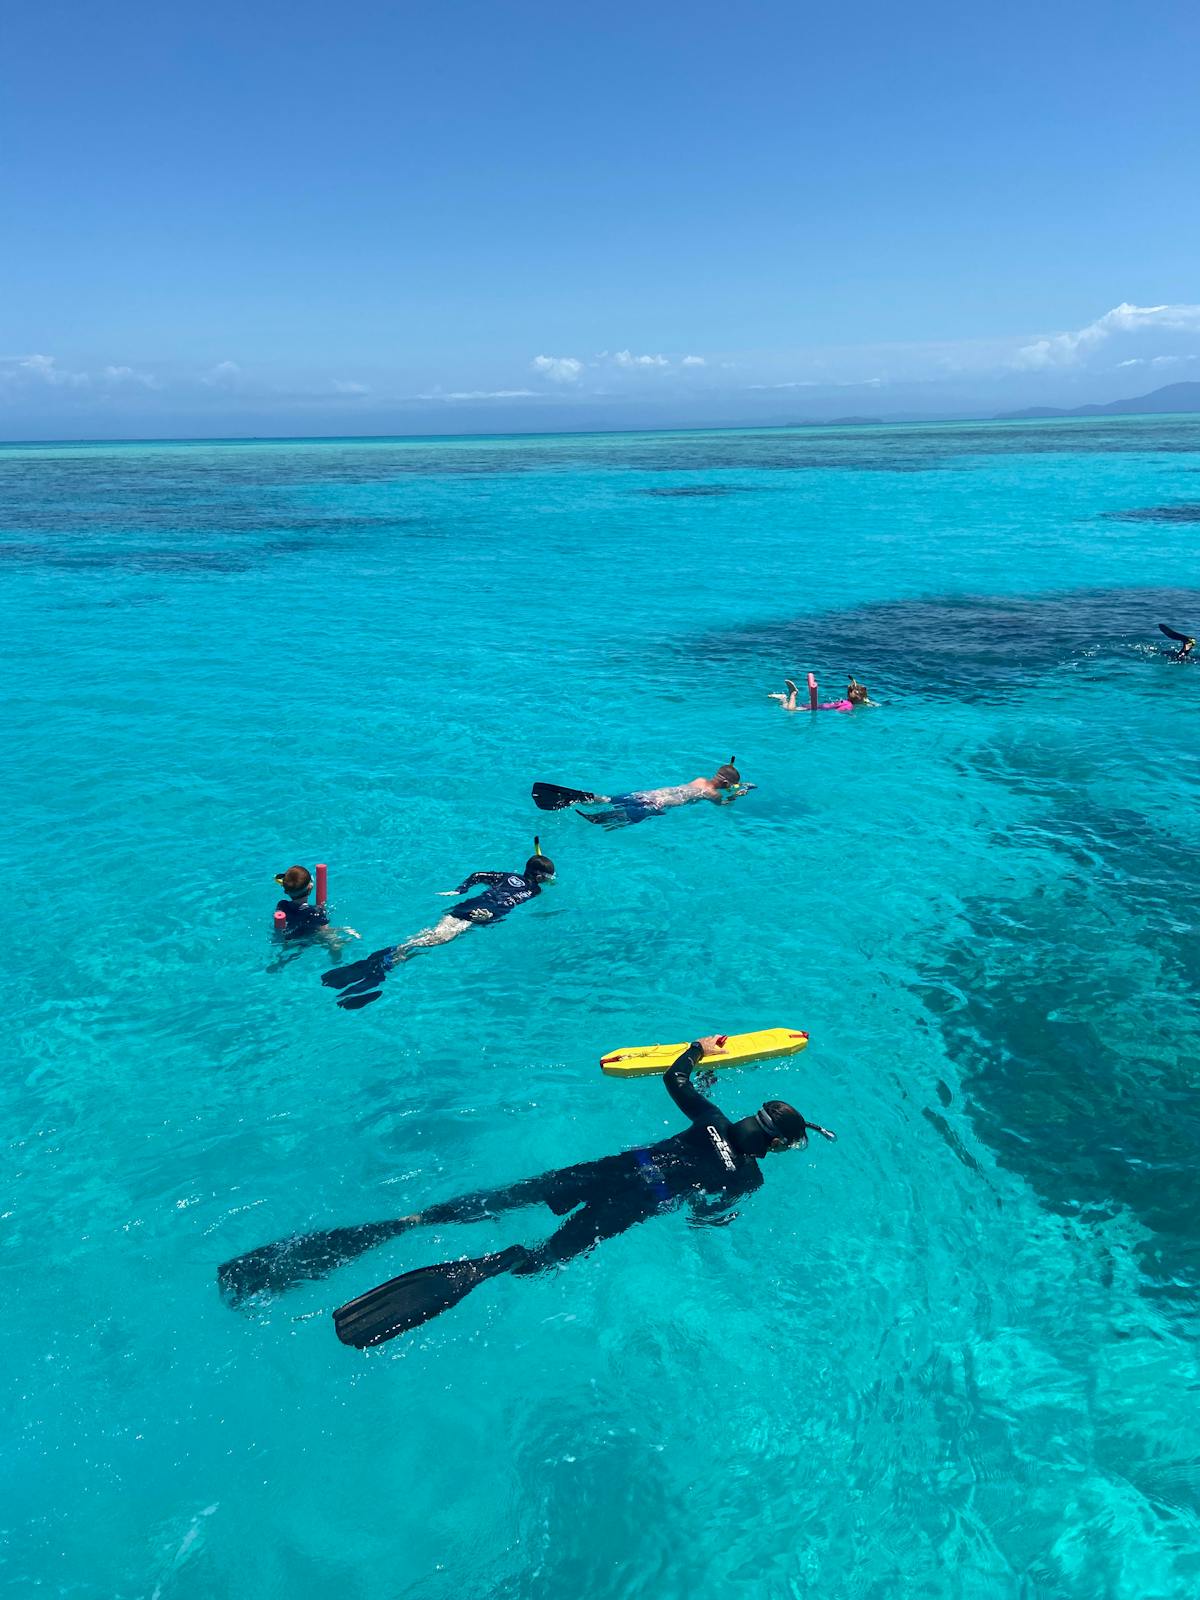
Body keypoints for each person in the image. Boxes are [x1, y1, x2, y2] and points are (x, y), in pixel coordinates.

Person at [322, 1039, 836, 1347]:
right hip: (632, 1206)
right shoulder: (748, 1179)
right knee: (547, 1255)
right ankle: (501, 1262)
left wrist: (699, 1049)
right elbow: (706, 1218)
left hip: (610, 1171)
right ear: (774, 1145)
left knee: (508, 1198)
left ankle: (414, 1221)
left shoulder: (710, 1119)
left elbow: (676, 1079)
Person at [320, 848, 557, 1009]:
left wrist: (461, 890)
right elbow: (507, 903)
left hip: (469, 906)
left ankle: (390, 954)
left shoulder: (507, 876)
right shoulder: (536, 890)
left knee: (431, 936)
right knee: (434, 941)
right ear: (538, 876)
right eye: (547, 877)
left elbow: (478, 875)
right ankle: (385, 963)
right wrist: (490, 918)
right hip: (480, 915)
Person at [576, 761, 750, 830]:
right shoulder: (713, 795)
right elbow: (724, 804)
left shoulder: (700, 780)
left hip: (649, 794)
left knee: (610, 799)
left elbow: (723, 780)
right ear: (727, 784)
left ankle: (591, 799)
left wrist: (733, 783)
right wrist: (738, 794)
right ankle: (598, 819)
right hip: (657, 805)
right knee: (623, 819)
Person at [270, 866, 357, 966]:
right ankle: (336, 959)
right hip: (309, 939)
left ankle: (279, 962)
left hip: (288, 941)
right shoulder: (315, 912)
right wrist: (341, 929)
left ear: (286, 891)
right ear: (311, 887)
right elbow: (325, 931)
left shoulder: (281, 905)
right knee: (333, 937)